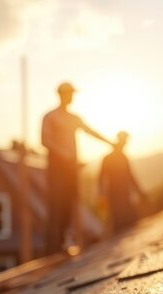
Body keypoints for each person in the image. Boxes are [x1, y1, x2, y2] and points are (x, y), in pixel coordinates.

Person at [41, 82, 113, 254]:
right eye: (69, 94)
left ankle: (64, 241)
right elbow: (45, 140)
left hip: (70, 169)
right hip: (57, 168)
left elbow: (90, 131)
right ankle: (53, 246)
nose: (71, 97)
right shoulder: (50, 117)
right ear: (61, 95)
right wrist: (63, 154)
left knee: (68, 203)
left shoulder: (73, 118)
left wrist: (110, 143)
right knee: (56, 204)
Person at [98, 131, 146, 234]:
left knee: (129, 222)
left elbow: (130, 176)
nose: (125, 144)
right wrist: (101, 195)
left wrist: (140, 192)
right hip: (114, 194)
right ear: (120, 140)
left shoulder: (122, 157)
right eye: (124, 141)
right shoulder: (109, 158)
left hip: (124, 193)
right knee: (119, 224)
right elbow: (101, 178)